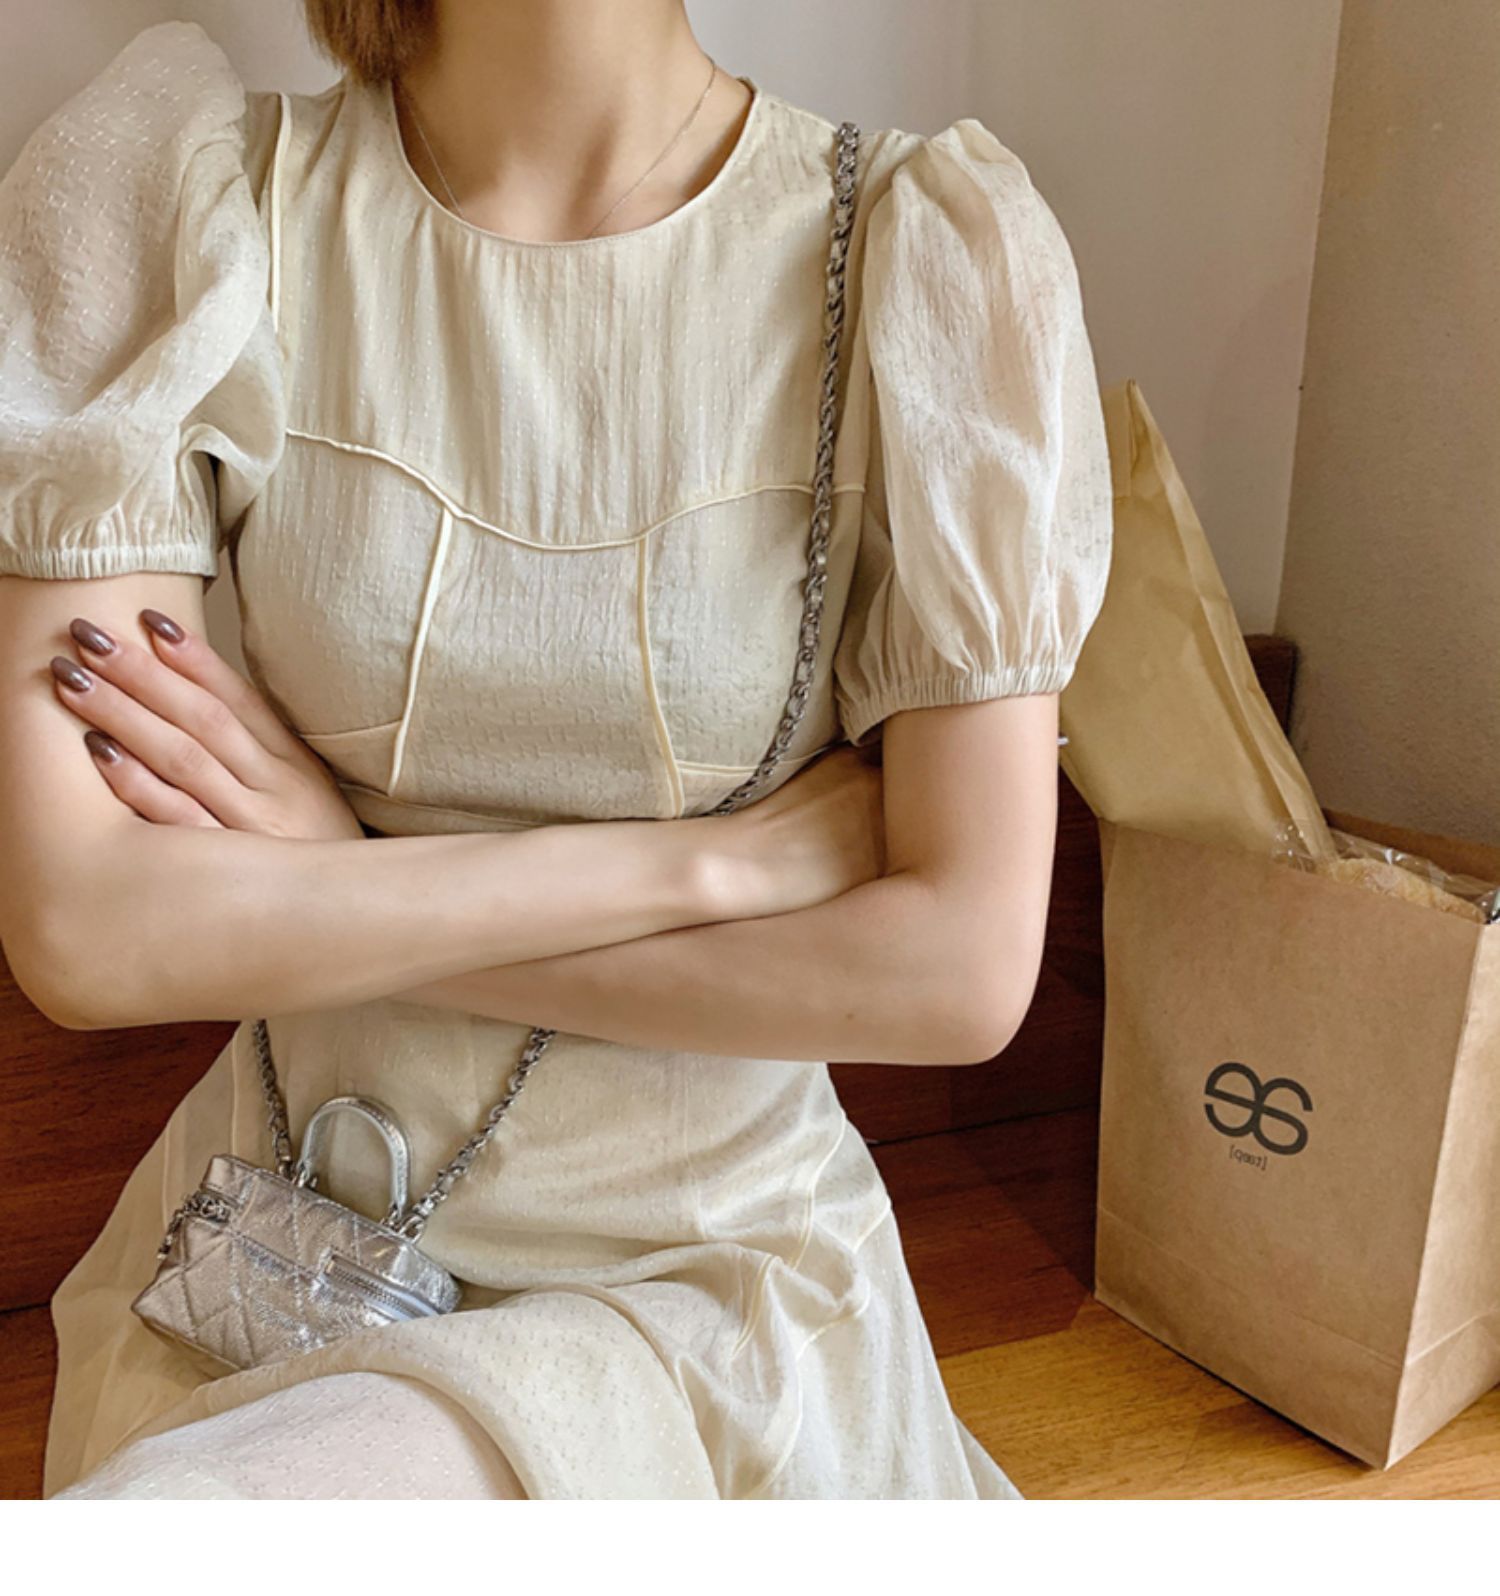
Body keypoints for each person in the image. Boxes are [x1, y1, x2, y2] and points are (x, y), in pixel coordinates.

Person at [0, 0, 1112, 1499]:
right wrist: (701, 868)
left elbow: (959, 975)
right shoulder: (188, 197)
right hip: (276, 1249)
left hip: (701, 1287)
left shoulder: (924, 249)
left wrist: (336, 884)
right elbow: (88, 934)